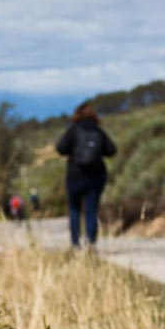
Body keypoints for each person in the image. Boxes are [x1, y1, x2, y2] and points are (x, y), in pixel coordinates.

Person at [55, 102, 118, 248]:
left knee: (74, 209)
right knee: (91, 209)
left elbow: (60, 148)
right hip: (95, 176)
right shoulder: (98, 131)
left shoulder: (73, 130)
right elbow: (112, 150)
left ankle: (75, 243)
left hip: (75, 175)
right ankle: (91, 243)